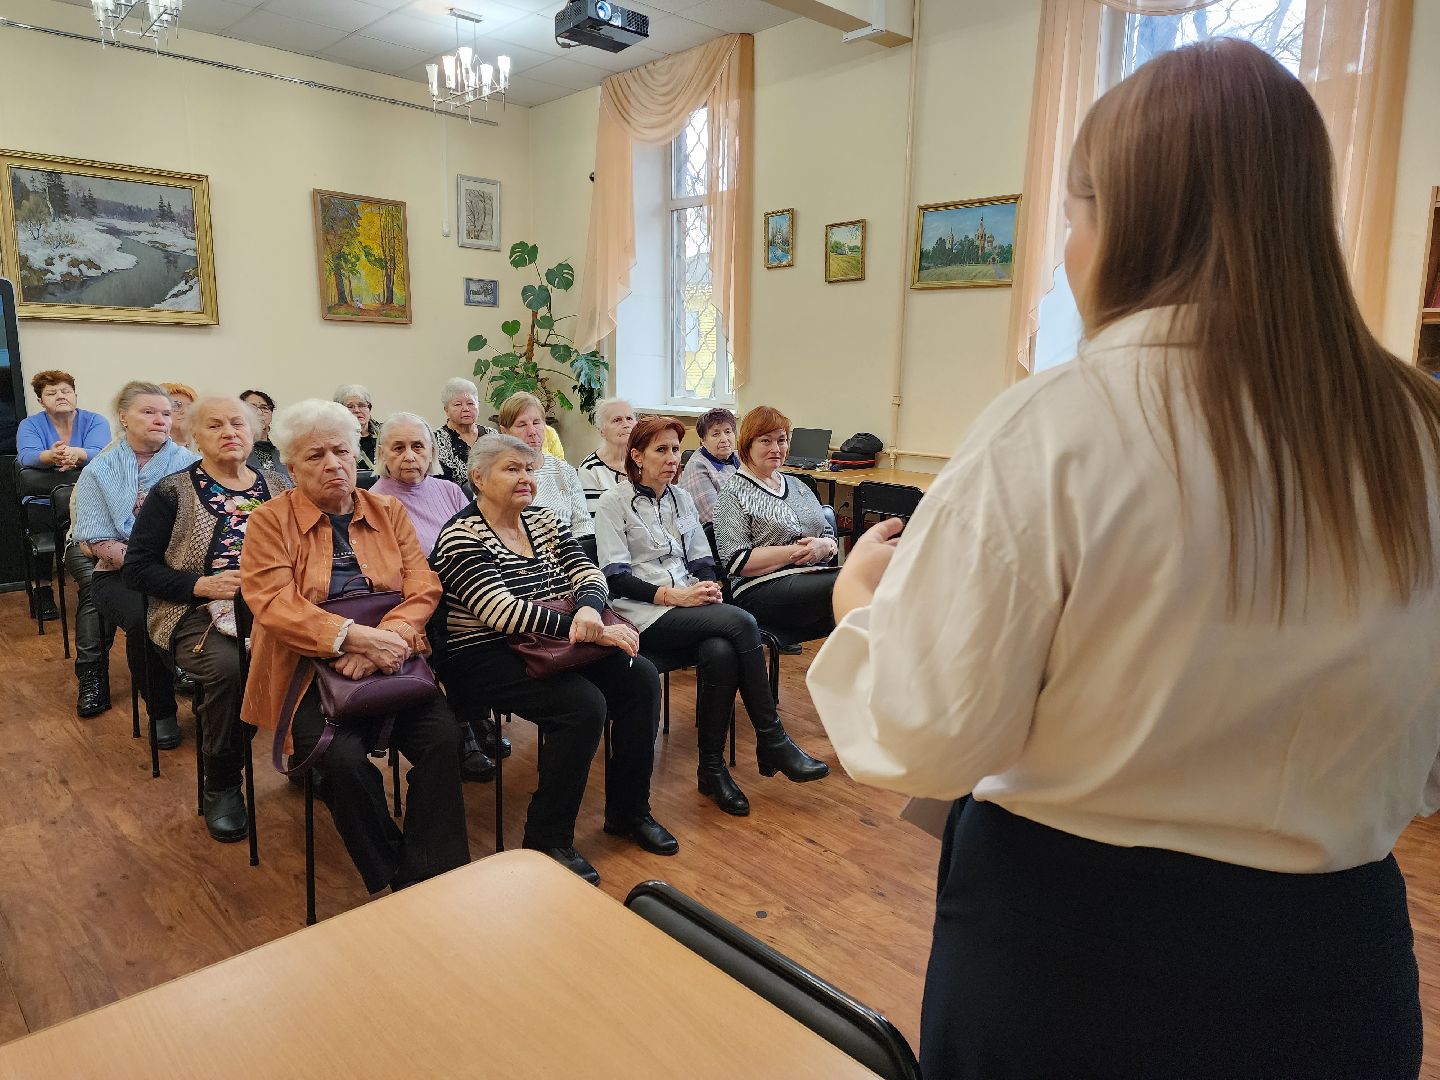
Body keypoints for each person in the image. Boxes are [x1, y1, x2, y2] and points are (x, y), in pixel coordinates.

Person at [808, 40, 1437, 1079]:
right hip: (1337, 958)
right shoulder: (1421, 430)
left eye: (1072, 213)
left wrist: (863, 603)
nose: (1068, 244)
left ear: (1122, 220)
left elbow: (929, 737)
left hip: (1076, 960)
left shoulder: (1061, 422)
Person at [240, 399, 470, 895]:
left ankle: (434, 869)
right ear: (290, 466)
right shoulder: (268, 522)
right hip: (307, 670)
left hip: (393, 657)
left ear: (357, 454)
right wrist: (351, 638)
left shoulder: (387, 510)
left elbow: (422, 585)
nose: (332, 465)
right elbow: (273, 603)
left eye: (341, 452)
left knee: (442, 739)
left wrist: (384, 643)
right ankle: (393, 873)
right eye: (314, 456)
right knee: (340, 763)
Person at [430, 433, 675, 885]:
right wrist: (591, 628)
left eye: (529, 470)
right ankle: (547, 839)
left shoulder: (542, 520)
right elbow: (500, 613)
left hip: (556, 638)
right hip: (485, 652)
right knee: (582, 707)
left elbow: (587, 571)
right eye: (511, 469)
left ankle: (629, 812)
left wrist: (586, 606)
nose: (525, 478)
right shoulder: (459, 536)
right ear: (478, 477)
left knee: (640, 676)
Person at [594, 417, 828, 817]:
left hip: (690, 604)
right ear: (637, 456)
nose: (672, 459)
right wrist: (673, 596)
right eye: (661, 451)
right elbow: (616, 579)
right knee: (741, 623)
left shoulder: (680, 500)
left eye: (674, 450)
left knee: (721, 651)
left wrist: (706, 586)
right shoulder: (612, 504)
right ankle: (771, 739)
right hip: (643, 613)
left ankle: (712, 770)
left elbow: (703, 559)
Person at [123, 397, 286, 842]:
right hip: (194, 611)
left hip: (276, 604)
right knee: (230, 670)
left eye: (238, 423)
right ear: (195, 436)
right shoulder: (172, 490)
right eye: (215, 425)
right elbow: (137, 567)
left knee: (319, 650)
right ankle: (223, 781)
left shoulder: (278, 484)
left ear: (254, 432)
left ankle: (311, 756)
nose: (229, 432)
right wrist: (202, 584)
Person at [370, 411, 500, 782]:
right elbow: (390, 568)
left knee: (491, 622)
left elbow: (476, 538)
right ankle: (464, 732)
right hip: (412, 601)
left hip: (461, 589)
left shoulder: (449, 489)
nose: (409, 456)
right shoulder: (376, 499)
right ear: (383, 454)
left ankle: (478, 717)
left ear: (431, 452)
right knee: (455, 635)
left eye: (417, 446)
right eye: (398, 448)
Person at [72, 382, 199, 744]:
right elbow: (96, 540)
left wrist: (170, 570)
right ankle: (160, 711)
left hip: (181, 570)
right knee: (144, 620)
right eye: (149, 412)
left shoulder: (190, 465)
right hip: (119, 575)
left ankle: (212, 706)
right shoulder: (99, 469)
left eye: (166, 413)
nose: (161, 419)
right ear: (124, 418)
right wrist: (149, 568)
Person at [710, 405, 839, 633]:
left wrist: (825, 546)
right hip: (759, 590)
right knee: (850, 582)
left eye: (781, 440)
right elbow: (737, 561)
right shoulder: (732, 494)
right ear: (748, 444)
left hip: (809, 578)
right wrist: (799, 552)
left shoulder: (799, 485)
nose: (776, 448)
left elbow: (827, 533)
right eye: (765, 441)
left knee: (866, 585)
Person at [16, 369, 111, 622]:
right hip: (43, 500)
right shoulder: (30, 425)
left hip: (87, 499)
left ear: (75, 395)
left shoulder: (95, 421)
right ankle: (43, 590)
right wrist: (52, 456)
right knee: (38, 519)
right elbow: (27, 456)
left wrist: (76, 453)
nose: (60, 396)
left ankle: (89, 588)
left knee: (95, 525)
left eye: (66, 391)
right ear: (40, 400)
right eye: (52, 392)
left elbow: (102, 452)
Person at [497, 391, 593, 550]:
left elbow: (582, 523)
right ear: (504, 431)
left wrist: (572, 554)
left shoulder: (565, 471)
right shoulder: (496, 475)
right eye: (522, 425)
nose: (532, 431)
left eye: (536, 422)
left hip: (569, 552)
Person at [677, 407, 739, 524]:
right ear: (703, 440)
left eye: (728, 431)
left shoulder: (738, 457)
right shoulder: (698, 466)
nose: (724, 439)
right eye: (716, 434)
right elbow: (714, 517)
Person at [577, 398, 635, 515]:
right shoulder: (590, 469)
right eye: (617, 420)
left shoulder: (645, 461)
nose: (626, 424)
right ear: (602, 431)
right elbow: (595, 517)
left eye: (629, 418)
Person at [432, 377, 492, 485]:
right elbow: (438, 483)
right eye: (458, 404)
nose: (465, 409)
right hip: (453, 499)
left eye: (470, 403)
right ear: (446, 410)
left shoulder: (492, 435)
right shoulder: (436, 440)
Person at [241, 389, 290, 483]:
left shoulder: (283, 451)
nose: (259, 413)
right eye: (252, 408)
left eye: (264, 408)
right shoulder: (236, 450)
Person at [333, 384, 382, 471]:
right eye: (350, 406)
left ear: (369, 408)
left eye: (362, 405)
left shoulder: (386, 433)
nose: (357, 410)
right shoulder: (336, 439)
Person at [161, 382, 197, 449]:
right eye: (176, 405)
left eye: (190, 407)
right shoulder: (147, 450)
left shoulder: (205, 448)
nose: (185, 411)